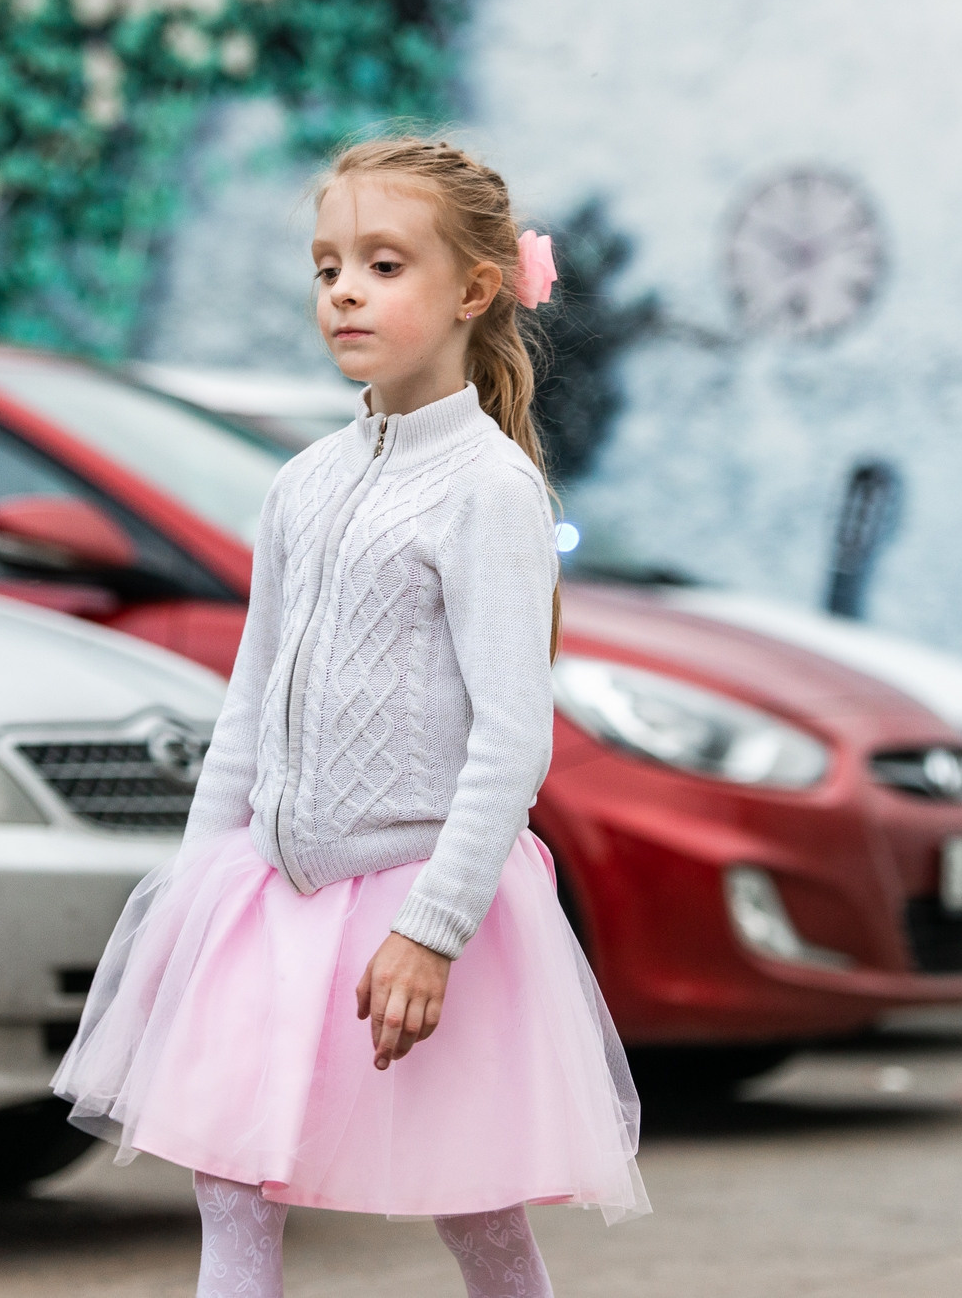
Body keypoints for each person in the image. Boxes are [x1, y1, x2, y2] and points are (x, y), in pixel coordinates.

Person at [54, 136, 647, 1298]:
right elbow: (248, 705)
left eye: (382, 265)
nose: (343, 292)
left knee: (473, 1206)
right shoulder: (302, 482)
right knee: (230, 1187)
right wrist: (192, 893)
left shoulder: (486, 490)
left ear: (474, 290)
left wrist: (431, 930)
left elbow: (511, 739)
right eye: (327, 267)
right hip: (269, 898)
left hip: (418, 901)